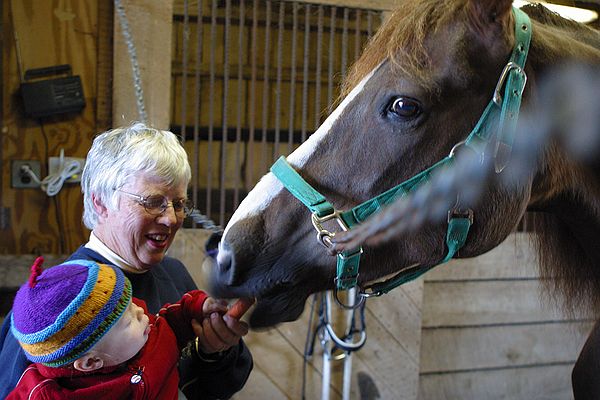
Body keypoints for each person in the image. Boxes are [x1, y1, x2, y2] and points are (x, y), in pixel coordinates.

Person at [0, 122, 253, 399]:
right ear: (100, 202)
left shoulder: (173, 272)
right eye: (152, 201)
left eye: (178, 204)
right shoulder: (53, 306)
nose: (170, 218)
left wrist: (213, 350)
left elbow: (215, 385)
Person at [8, 258, 235, 399]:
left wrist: (201, 306)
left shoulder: (156, 334)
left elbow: (178, 316)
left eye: (132, 303)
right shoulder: (44, 394)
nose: (141, 311)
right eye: (128, 321)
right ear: (90, 362)